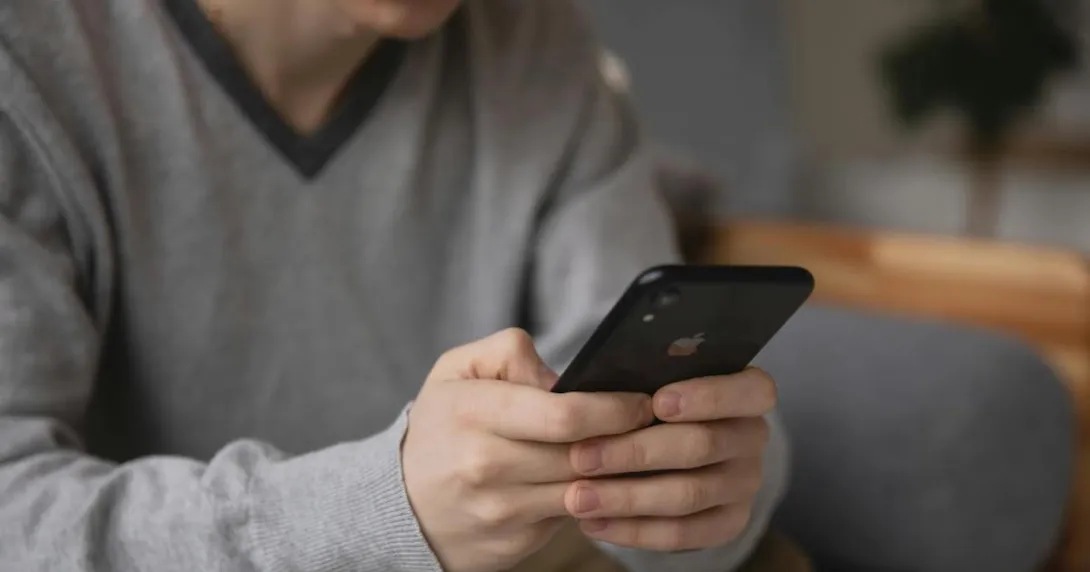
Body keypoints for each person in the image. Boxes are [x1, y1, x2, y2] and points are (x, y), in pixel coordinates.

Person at [0, 0, 791, 570]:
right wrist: (387, 512)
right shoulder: (30, 64)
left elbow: (674, 418)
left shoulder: (536, 43)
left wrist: (700, 497)